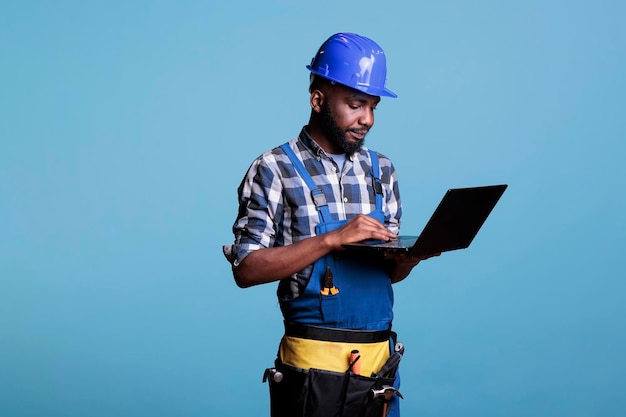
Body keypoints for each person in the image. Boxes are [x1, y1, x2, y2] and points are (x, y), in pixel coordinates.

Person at [223, 32, 438, 417]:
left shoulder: (382, 170)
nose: (367, 119)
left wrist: (411, 258)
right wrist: (333, 239)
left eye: (373, 106)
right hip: (311, 373)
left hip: (378, 368)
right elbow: (246, 268)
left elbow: (388, 275)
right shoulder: (275, 169)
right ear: (318, 99)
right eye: (356, 104)